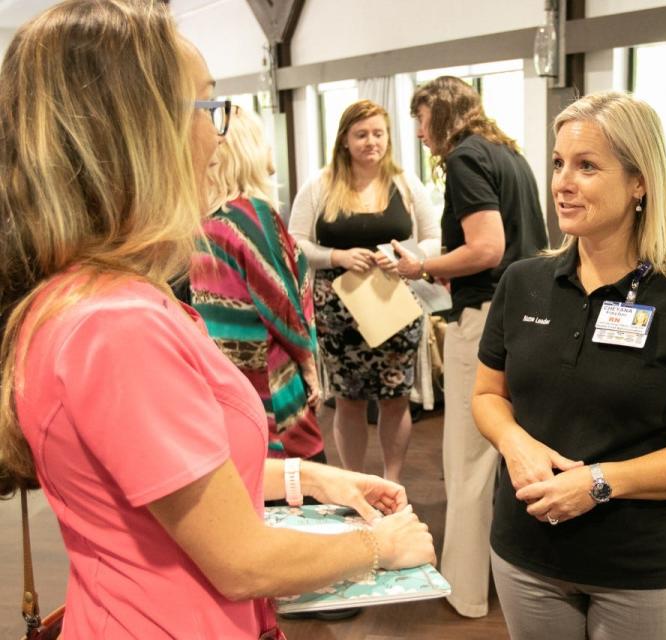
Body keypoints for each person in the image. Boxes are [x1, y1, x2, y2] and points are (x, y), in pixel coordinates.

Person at [0, 2, 435, 638]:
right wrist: (381, 548)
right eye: (207, 108)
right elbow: (239, 560)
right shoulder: (115, 324)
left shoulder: (85, 296)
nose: (218, 132)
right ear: (138, 133)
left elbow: (171, 478)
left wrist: (308, 476)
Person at [472, 91, 666, 640]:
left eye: (587, 166)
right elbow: (487, 395)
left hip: (640, 571)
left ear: (639, 182)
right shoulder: (523, 283)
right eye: (558, 164)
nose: (562, 183)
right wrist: (513, 442)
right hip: (527, 558)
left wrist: (598, 483)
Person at [394, 75, 548, 618]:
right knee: (507, 454)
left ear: (443, 113)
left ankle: (464, 590)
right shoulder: (511, 156)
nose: (418, 133)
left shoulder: (463, 159)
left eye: (421, 118)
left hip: (484, 319)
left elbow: (487, 248)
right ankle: (507, 580)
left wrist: (422, 266)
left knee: (468, 456)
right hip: (526, 318)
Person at [288, 99, 440, 482]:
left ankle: (392, 482)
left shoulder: (406, 183)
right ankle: (355, 481)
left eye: (378, 134)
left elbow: (435, 238)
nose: (371, 142)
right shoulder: (320, 185)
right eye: (361, 135)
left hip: (395, 306)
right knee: (348, 401)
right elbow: (294, 241)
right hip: (338, 312)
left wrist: (409, 258)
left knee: (395, 398)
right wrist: (336, 255)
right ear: (344, 140)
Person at [191, 105, 325, 462]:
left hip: (229, 388)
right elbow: (281, 303)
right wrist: (309, 364)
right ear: (248, 148)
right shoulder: (252, 215)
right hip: (276, 388)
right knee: (303, 498)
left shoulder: (207, 222)